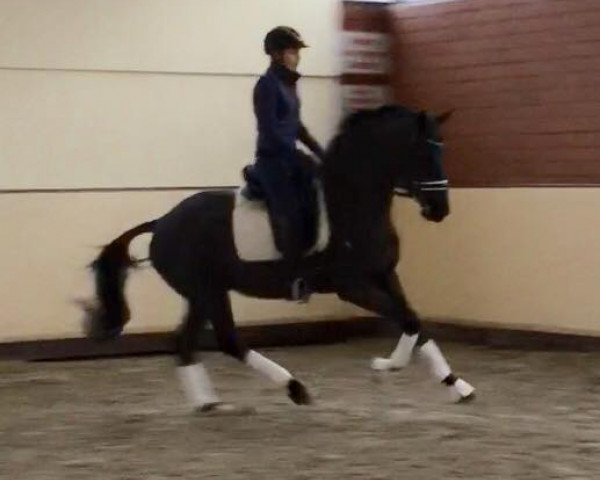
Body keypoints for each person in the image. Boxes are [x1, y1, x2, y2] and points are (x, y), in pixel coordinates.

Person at [250, 26, 325, 302]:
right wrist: (296, 155)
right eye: (292, 51)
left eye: (296, 52)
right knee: (290, 213)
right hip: (272, 161)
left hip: (290, 158)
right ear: (277, 54)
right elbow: (270, 129)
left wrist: (321, 153)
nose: (297, 57)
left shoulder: (290, 85)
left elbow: (297, 126)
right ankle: (292, 280)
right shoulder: (266, 85)